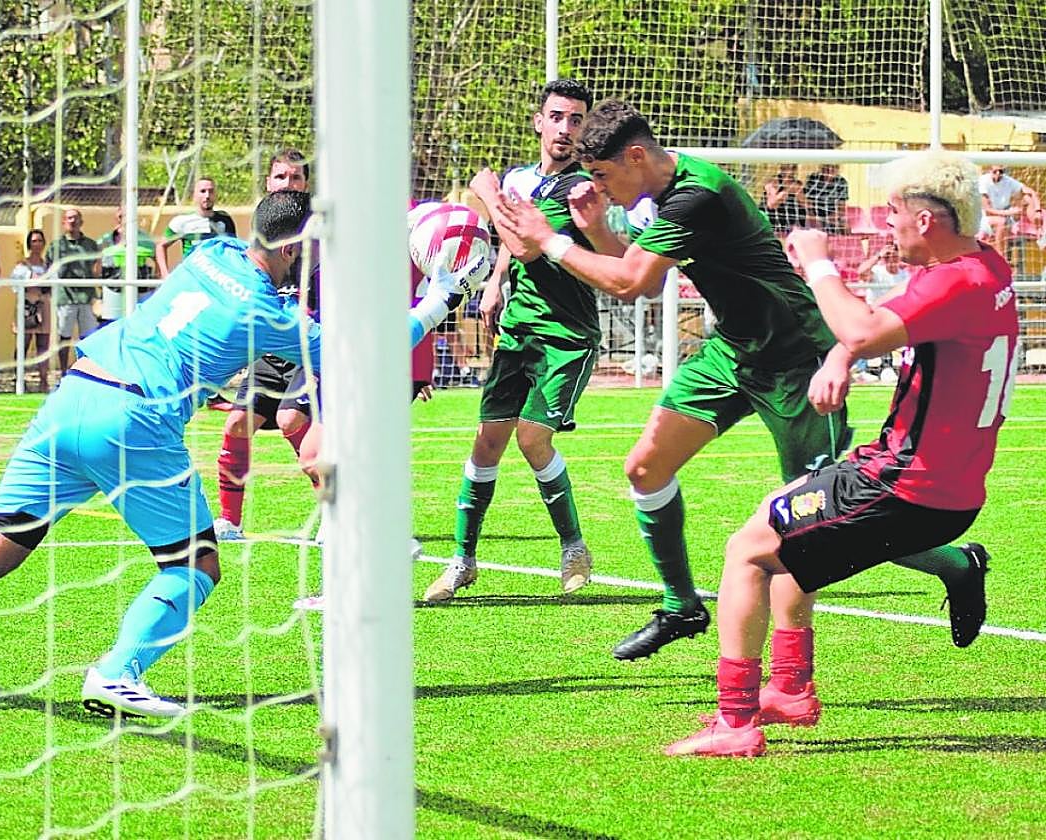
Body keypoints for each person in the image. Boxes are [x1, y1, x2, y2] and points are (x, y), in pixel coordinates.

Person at [0, 189, 479, 719]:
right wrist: (439, 298)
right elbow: (368, 346)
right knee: (196, 566)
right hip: (135, 421)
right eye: (307, 251)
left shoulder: (210, 254)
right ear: (291, 248)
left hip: (73, 397)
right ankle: (118, 672)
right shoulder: (267, 311)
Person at [665, 150, 1016, 757]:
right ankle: (792, 690)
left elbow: (862, 326)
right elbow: (889, 327)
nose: (887, 224)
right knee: (783, 513)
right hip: (932, 479)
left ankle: (736, 722)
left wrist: (820, 265)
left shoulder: (955, 280)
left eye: (894, 213)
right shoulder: (982, 266)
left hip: (911, 484)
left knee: (747, 551)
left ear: (926, 221)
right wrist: (839, 357)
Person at [492, 99, 851, 664]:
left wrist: (553, 240)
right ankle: (681, 606)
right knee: (645, 466)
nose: (601, 190)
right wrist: (591, 229)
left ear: (636, 156)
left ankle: (955, 562)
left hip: (795, 358)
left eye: (604, 177)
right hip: (732, 350)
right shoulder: (660, 193)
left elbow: (631, 283)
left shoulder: (696, 194)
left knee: (824, 515)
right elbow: (630, 261)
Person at [423, 78, 614, 603]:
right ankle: (462, 561)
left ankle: (574, 547)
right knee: (487, 440)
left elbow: (527, 245)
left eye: (576, 120)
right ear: (539, 121)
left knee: (532, 438)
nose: (566, 129)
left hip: (566, 336)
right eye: (557, 117)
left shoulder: (581, 189)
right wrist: (493, 282)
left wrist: (485, 195)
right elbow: (511, 252)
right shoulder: (522, 179)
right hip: (520, 328)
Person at [213, 152, 315, 542]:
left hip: (311, 346)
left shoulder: (322, 237)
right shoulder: (258, 235)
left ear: (306, 184)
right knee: (237, 424)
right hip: (272, 348)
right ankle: (230, 521)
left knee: (292, 421)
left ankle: (338, 514)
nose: (287, 183)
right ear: (268, 183)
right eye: (280, 176)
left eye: (296, 177)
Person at [46, 207, 100, 370]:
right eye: (69, 218)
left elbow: (96, 267)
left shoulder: (91, 245)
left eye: (76, 218)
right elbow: (49, 269)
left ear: (81, 222)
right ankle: (63, 371)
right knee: (64, 336)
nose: (73, 221)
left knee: (88, 337)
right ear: (63, 222)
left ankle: (87, 370)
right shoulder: (56, 246)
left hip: (86, 296)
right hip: (65, 297)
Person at [155, 177, 237, 278]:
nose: (207, 196)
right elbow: (161, 246)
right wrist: (165, 275)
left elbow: (234, 249)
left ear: (215, 195)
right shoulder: (182, 221)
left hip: (218, 279)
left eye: (210, 191)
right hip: (193, 278)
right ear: (194, 195)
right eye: (203, 191)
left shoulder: (225, 219)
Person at [854, 236, 910, 383]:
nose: (891, 261)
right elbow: (861, 271)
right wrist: (878, 255)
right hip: (875, 314)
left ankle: (888, 367)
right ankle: (867, 368)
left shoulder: (904, 275)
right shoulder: (877, 272)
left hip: (894, 315)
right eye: (888, 257)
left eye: (894, 257)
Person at [94, 206, 157, 328]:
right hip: (112, 288)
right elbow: (96, 263)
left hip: (140, 287)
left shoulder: (145, 239)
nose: (124, 220)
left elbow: (155, 258)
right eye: (121, 217)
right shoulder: (105, 240)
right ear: (115, 219)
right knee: (112, 325)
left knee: (139, 323)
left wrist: (155, 282)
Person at [11, 229, 52, 393]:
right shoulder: (21, 266)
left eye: (40, 241)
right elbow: (14, 286)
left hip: (43, 305)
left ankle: (43, 380)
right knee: (23, 344)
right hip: (26, 306)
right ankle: (19, 378)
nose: (37, 244)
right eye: (34, 241)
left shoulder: (48, 266)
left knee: (43, 344)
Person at [977, 164, 1040, 260]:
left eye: (1001, 171)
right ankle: (1000, 255)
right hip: (985, 217)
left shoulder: (1007, 180)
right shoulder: (983, 181)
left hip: (1005, 214)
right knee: (1001, 221)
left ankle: (1038, 228)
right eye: (995, 171)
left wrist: (1038, 210)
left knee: (1026, 197)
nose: (998, 174)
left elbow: (1030, 192)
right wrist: (1010, 212)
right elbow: (988, 209)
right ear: (989, 171)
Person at [761, 163, 807, 236]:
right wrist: (785, 191)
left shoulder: (797, 184)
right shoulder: (773, 182)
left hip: (791, 225)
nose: (791, 171)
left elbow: (805, 204)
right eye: (788, 168)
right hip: (773, 223)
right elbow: (771, 205)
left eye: (793, 168)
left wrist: (799, 195)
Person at [803, 163, 849, 233]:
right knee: (814, 231)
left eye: (832, 169)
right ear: (822, 169)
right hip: (814, 216)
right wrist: (816, 222)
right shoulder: (813, 179)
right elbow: (808, 205)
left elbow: (841, 209)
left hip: (832, 215)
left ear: (837, 170)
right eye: (826, 169)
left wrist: (830, 220)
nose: (829, 173)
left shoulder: (841, 182)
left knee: (846, 228)